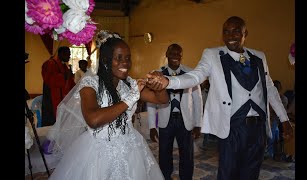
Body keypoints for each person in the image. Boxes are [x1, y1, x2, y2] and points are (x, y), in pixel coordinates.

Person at [147, 16, 294, 180]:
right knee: (228, 173)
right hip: (231, 126)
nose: (230, 35)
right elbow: (196, 76)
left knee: (251, 172)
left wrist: (284, 119)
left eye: (236, 31)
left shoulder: (259, 57)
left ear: (246, 33)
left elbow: (270, 88)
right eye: (226, 31)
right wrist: (168, 81)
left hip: (258, 127)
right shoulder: (212, 55)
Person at [46, 30, 168, 180]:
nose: (125, 63)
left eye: (128, 58)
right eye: (119, 58)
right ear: (105, 60)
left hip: (131, 147)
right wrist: (129, 100)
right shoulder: (90, 84)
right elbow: (93, 119)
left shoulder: (129, 83)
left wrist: (159, 85)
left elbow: (162, 100)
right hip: (99, 151)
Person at [146, 43, 203, 180]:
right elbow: (151, 101)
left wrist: (198, 124)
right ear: (166, 54)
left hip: (186, 121)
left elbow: (198, 100)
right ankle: (165, 176)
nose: (175, 56)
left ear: (182, 56)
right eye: (172, 53)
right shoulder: (157, 74)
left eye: (178, 54)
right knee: (164, 153)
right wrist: (152, 126)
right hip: (166, 120)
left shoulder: (191, 74)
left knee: (187, 154)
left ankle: (186, 177)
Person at [41, 46, 76, 126]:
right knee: (51, 121)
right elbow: (48, 79)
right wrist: (65, 76)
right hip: (51, 98)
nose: (69, 57)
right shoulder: (50, 63)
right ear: (60, 54)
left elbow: (70, 83)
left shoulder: (64, 66)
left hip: (61, 98)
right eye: (67, 54)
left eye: (69, 55)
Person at [265, 80, 288, 161]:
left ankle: (271, 155)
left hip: (276, 121)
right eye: (275, 86)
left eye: (278, 87)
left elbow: (277, 112)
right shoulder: (266, 98)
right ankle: (269, 154)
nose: (277, 88)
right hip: (268, 120)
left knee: (274, 137)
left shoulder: (283, 98)